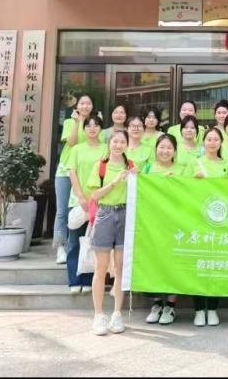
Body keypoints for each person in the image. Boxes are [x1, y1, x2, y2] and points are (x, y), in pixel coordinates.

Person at [87, 130, 137, 335]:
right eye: (115, 141)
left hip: (126, 215)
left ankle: (117, 313)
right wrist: (115, 181)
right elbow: (94, 195)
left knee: (120, 268)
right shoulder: (100, 166)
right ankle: (98, 315)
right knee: (101, 268)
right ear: (109, 144)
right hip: (105, 214)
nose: (118, 145)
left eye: (122, 142)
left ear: (127, 144)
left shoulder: (131, 166)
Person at [187, 127, 228, 327]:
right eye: (209, 139)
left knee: (216, 266)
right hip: (199, 220)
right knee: (200, 265)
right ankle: (198, 310)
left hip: (221, 222)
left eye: (216, 140)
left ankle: (213, 309)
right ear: (203, 142)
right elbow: (183, 190)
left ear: (221, 143)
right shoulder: (194, 164)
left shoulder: (227, 165)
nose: (212, 143)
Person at [144, 134, 187, 324]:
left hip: (175, 224)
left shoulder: (182, 170)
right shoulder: (147, 169)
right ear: (156, 149)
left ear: (175, 151)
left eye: (169, 148)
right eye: (161, 147)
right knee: (153, 262)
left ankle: (170, 306)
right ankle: (156, 304)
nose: (165, 151)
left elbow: (188, 194)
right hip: (152, 224)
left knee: (174, 262)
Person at [64, 113, 106, 293]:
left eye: (96, 125)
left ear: (101, 129)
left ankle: (88, 279)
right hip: (77, 200)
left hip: (99, 201)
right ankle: (74, 281)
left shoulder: (106, 149)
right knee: (74, 241)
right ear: (84, 128)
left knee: (92, 241)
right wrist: (81, 197)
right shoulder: (77, 149)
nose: (92, 128)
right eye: (89, 125)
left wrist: (96, 197)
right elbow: (72, 173)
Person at [54, 94, 94, 265]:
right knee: (62, 211)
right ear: (77, 106)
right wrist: (77, 122)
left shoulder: (93, 124)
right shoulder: (70, 122)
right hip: (65, 170)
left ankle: (76, 248)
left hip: (83, 172)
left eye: (88, 103)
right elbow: (71, 142)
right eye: (82, 103)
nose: (85, 106)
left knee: (80, 209)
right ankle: (60, 248)